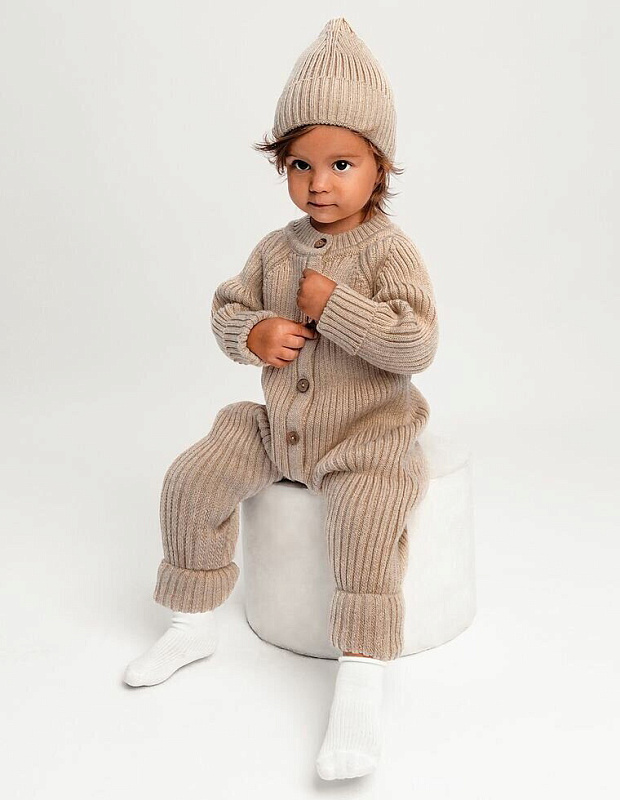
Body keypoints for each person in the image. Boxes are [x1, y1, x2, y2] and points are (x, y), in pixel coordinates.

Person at [123, 17, 439, 781]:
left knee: (366, 520)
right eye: (300, 164)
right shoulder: (274, 248)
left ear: (380, 168)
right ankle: (191, 620)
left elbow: (415, 342)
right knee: (194, 475)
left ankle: (360, 673)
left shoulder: (389, 250)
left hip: (365, 436)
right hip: (280, 428)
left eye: (341, 163)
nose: (319, 183)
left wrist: (338, 307)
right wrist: (254, 332)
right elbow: (227, 308)